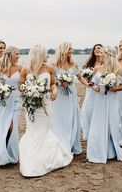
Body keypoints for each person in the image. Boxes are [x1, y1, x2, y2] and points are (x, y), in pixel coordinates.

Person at [19, 45, 73, 177]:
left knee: (45, 130)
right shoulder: (25, 68)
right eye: (45, 53)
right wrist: (29, 91)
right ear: (39, 54)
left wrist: (54, 92)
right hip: (32, 105)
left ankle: (46, 158)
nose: (47, 56)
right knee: (32, 130)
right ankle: (32, 161)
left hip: (46, 105)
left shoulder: (49, 68)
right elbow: (20, 86)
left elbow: (53, 84)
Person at [87, 46, 122, 164]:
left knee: (111, 124)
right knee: (98, 124)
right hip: (99, 101)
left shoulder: (118, 69)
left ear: (108, 55)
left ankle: (111, 152)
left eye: (103, 53)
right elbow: (91, 82)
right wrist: (95, 87)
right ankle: (97, 151)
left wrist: (112, 88)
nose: (101, 55)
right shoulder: (97, 68)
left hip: (112, 101)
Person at [51, 41, 90, 154]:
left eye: (71, 49)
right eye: (69, 49)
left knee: (71, 117)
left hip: (71, 94)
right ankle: (60, 142)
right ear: (63, 50)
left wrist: (88, 84)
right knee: (59, 117)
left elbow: (79, 77)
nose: (71, 51)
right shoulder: (54, 65)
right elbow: (51, 81)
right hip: (59, 94)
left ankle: (70, 142)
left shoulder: (74, 64)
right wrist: (59, 82)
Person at [81, 44, 103, 140]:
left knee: (99, 111)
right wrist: (88, 82)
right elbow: (83, 77)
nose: (96, 49)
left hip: (101, 90)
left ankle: (98, 133)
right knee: (88, 110)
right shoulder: (90, 63)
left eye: (98, 48)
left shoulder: (106, 63)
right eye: (94, 48)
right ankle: (90, 134)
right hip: (90, 90)